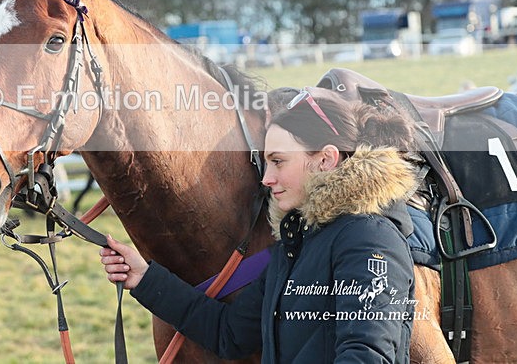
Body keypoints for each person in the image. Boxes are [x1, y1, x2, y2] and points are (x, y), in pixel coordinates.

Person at [100, 88, 419, 363]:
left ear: (326, 159)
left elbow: (367, 355)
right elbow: (229, 333)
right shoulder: (296, 245)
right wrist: (143, 277)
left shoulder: (370, 241)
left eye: (279, 161)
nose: (266, 178)